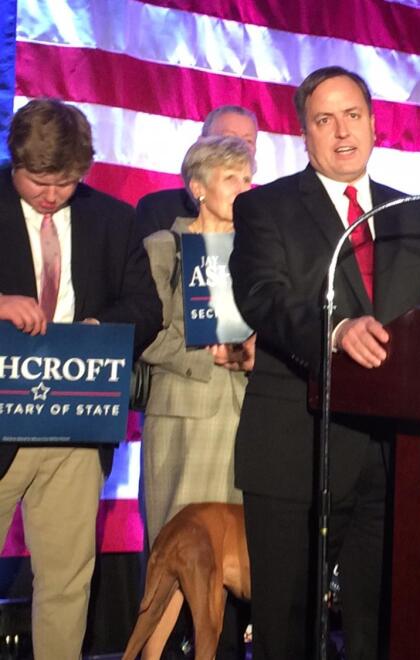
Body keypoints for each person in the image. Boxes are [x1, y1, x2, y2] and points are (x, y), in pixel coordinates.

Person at [227, 66, 420, 659]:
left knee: (379, 626)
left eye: (352, 116)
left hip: (393, 461)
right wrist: (336, 330)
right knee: (287, 627)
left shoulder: (412, 214)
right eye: (324, 120)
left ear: (373, 125)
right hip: (297, 451)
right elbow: (263, 296)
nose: (341, 131)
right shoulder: (265, 208)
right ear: (304, 134)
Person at [0, 98, 161, 660]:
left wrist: (99, 326)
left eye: (64, 183)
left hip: (75, 426)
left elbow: (146, 306)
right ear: (13, 160)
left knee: (67, 585)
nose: (49, 194)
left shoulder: (114, 219)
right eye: (37, 180)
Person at [139, 134, 255, 659]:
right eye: (233, 179)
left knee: (231, 570)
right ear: (198, 188)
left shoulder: (257, 252)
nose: (245, 188)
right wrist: (199, 355)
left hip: (245, 419)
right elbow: (145, 332)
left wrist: (256, 352)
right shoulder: (164, 248)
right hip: (182, 418)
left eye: (249, 179)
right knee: (175, 560)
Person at [136, 105, 258, 239]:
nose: (238, 147)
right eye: (228, 137)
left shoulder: (263, 224)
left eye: (248, 141)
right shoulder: (159, 211)